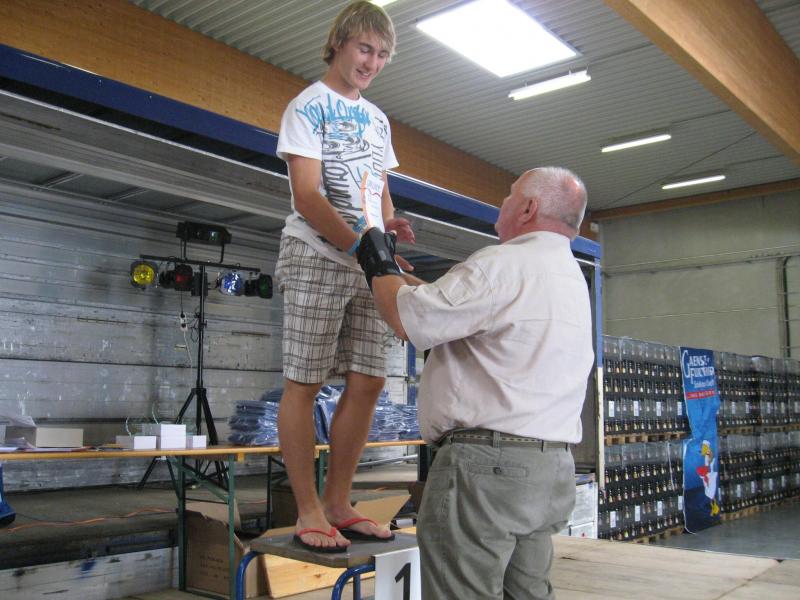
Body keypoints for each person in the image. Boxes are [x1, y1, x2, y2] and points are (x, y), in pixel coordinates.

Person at [356, 167, 594, 598]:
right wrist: (400, 281)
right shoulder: (567, 275)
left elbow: (410, 319)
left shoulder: (503, 263)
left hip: (488, 470)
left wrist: (377, 261)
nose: (502, 202)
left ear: (528, 207)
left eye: (509, 194)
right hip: (547, 470)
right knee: (527, 592)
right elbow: (453, 310)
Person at [273, 1, 414, 553]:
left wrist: (386, 227)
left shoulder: (378, 119)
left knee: (371, 379)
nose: (371, 62)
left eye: (382, 55)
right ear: (338, 44)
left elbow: (378, 187)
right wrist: (360, 245)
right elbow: (307, 195)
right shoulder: (307, 106)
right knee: (305, 381)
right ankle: (307, 508)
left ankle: (337, 501)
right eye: (364, 49)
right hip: (316, 253)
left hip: (367, 259)